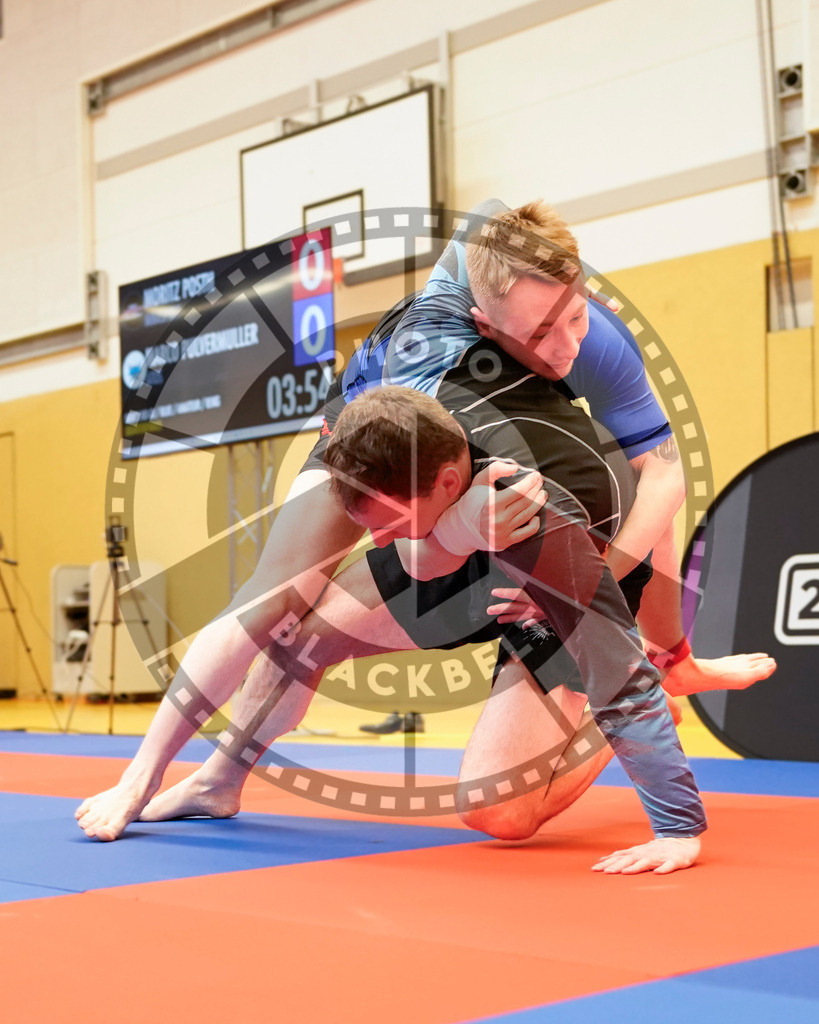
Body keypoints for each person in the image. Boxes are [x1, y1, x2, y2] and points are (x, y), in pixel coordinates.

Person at [75, 200, 772, 847]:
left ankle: (638, 683)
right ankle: (203, 777)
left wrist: (635, 621)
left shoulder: (572, 382)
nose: (565, 349)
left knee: (499, 810)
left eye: (575, 319)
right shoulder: (425, 379)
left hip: (512, 525)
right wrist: (452, 527)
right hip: (419, 461)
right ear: (481, 321)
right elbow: (416, 559)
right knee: (285, 613)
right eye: (538, 333)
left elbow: (663, 478)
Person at [141, 386, 706, 874]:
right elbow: (400, 533)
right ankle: (220, 780)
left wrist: (678, 828)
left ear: (445, 481)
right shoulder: (414, 406)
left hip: (537, 581)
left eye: (386, 523)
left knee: (498, 811)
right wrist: (429, 530)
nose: (378, 542)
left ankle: (624, 721)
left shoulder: (538, 522)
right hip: (452, 530)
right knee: (297, 635)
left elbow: (620, 673)